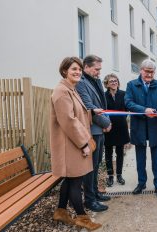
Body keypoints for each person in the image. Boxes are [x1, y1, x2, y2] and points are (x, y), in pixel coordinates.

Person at [50, 57, 101, 230]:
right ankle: (82, 218)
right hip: (70, 145)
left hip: (72, 143)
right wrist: (83, 144)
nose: (78, 72)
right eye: (74, 69)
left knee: (71, 180)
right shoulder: (61, 92)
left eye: (79, 69)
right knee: (75, 182)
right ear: (65, 71)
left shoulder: (70, 89)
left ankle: (61, 211)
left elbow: (79, 115)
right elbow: (68, 121)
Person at [125, 59, 157, 198]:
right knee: (140, 158)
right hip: (139, 127)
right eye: (147, 71)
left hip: (156, 126)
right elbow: (128, 103)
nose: (149, 74)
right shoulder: (131, 85)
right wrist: (144, 110)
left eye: (152, 72)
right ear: (141, 70)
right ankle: (141, 183)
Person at [76, 55, 111, 212]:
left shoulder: (95, 81)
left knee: (96, 165)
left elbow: (103, 105)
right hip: (92, 131)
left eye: (99, 69)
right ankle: (90, 200)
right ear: (86, 67)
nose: (99, 72)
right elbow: (89, 106)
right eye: (96, 69)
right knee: (90, 167)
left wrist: (106, 122)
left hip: (99, 130)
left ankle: (96, 193)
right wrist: (106, 123)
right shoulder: (81, 83)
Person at [103, 73, 130, 187]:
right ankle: (110, 176)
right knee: (108, 153)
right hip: (108, 127)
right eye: (111, 81)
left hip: (121, 126)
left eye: (115, 81)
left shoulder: (124, 94)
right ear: (107, 84)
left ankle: (119, 175)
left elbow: (128, 108)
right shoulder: (103, 96)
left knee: (120, 153)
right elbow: (103, 111)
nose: (114, 82)